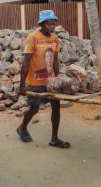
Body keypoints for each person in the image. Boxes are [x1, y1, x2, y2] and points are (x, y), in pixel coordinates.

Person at [17, 10, 70, 148]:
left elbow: (55, 61)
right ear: (41, 23)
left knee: (56, 107)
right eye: (49, 23)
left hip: (51, 81)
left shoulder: (55, 39)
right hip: (35, 81)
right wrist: (22, 84)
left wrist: (58, 80)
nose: (52, 26)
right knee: (34, 108)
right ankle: (22, 128)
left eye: (54, 23)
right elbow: (26, 61)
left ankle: (54, 139)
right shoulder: (32, 37)